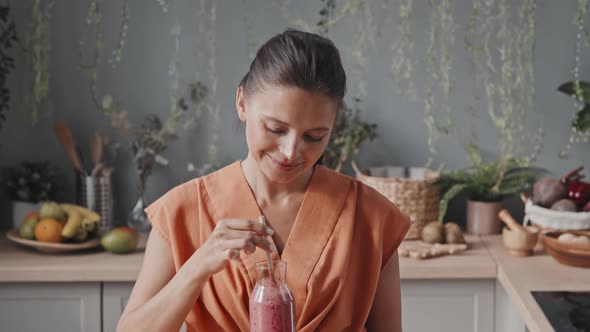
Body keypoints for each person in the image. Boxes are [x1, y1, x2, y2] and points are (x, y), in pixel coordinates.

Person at [117, 28, 410, 332]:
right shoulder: (182, 211)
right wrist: (197, 267)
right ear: (242, 103)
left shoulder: (372, 217)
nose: (290, 152)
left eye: (314, 136)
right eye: (275, 129)